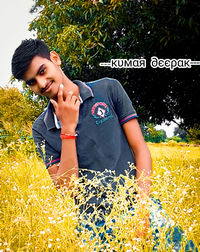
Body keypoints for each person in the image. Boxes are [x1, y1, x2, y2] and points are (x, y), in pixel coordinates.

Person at [11, 38, 152, 236]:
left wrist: (142, 212)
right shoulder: (41, 128)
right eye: (32, 82)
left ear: (55, 58)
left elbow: (140, 150)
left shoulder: (108, 89)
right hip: (93, 223)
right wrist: (67, 129)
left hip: (138, 203)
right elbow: (68, 189)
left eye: (42, 71)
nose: (41, 84)